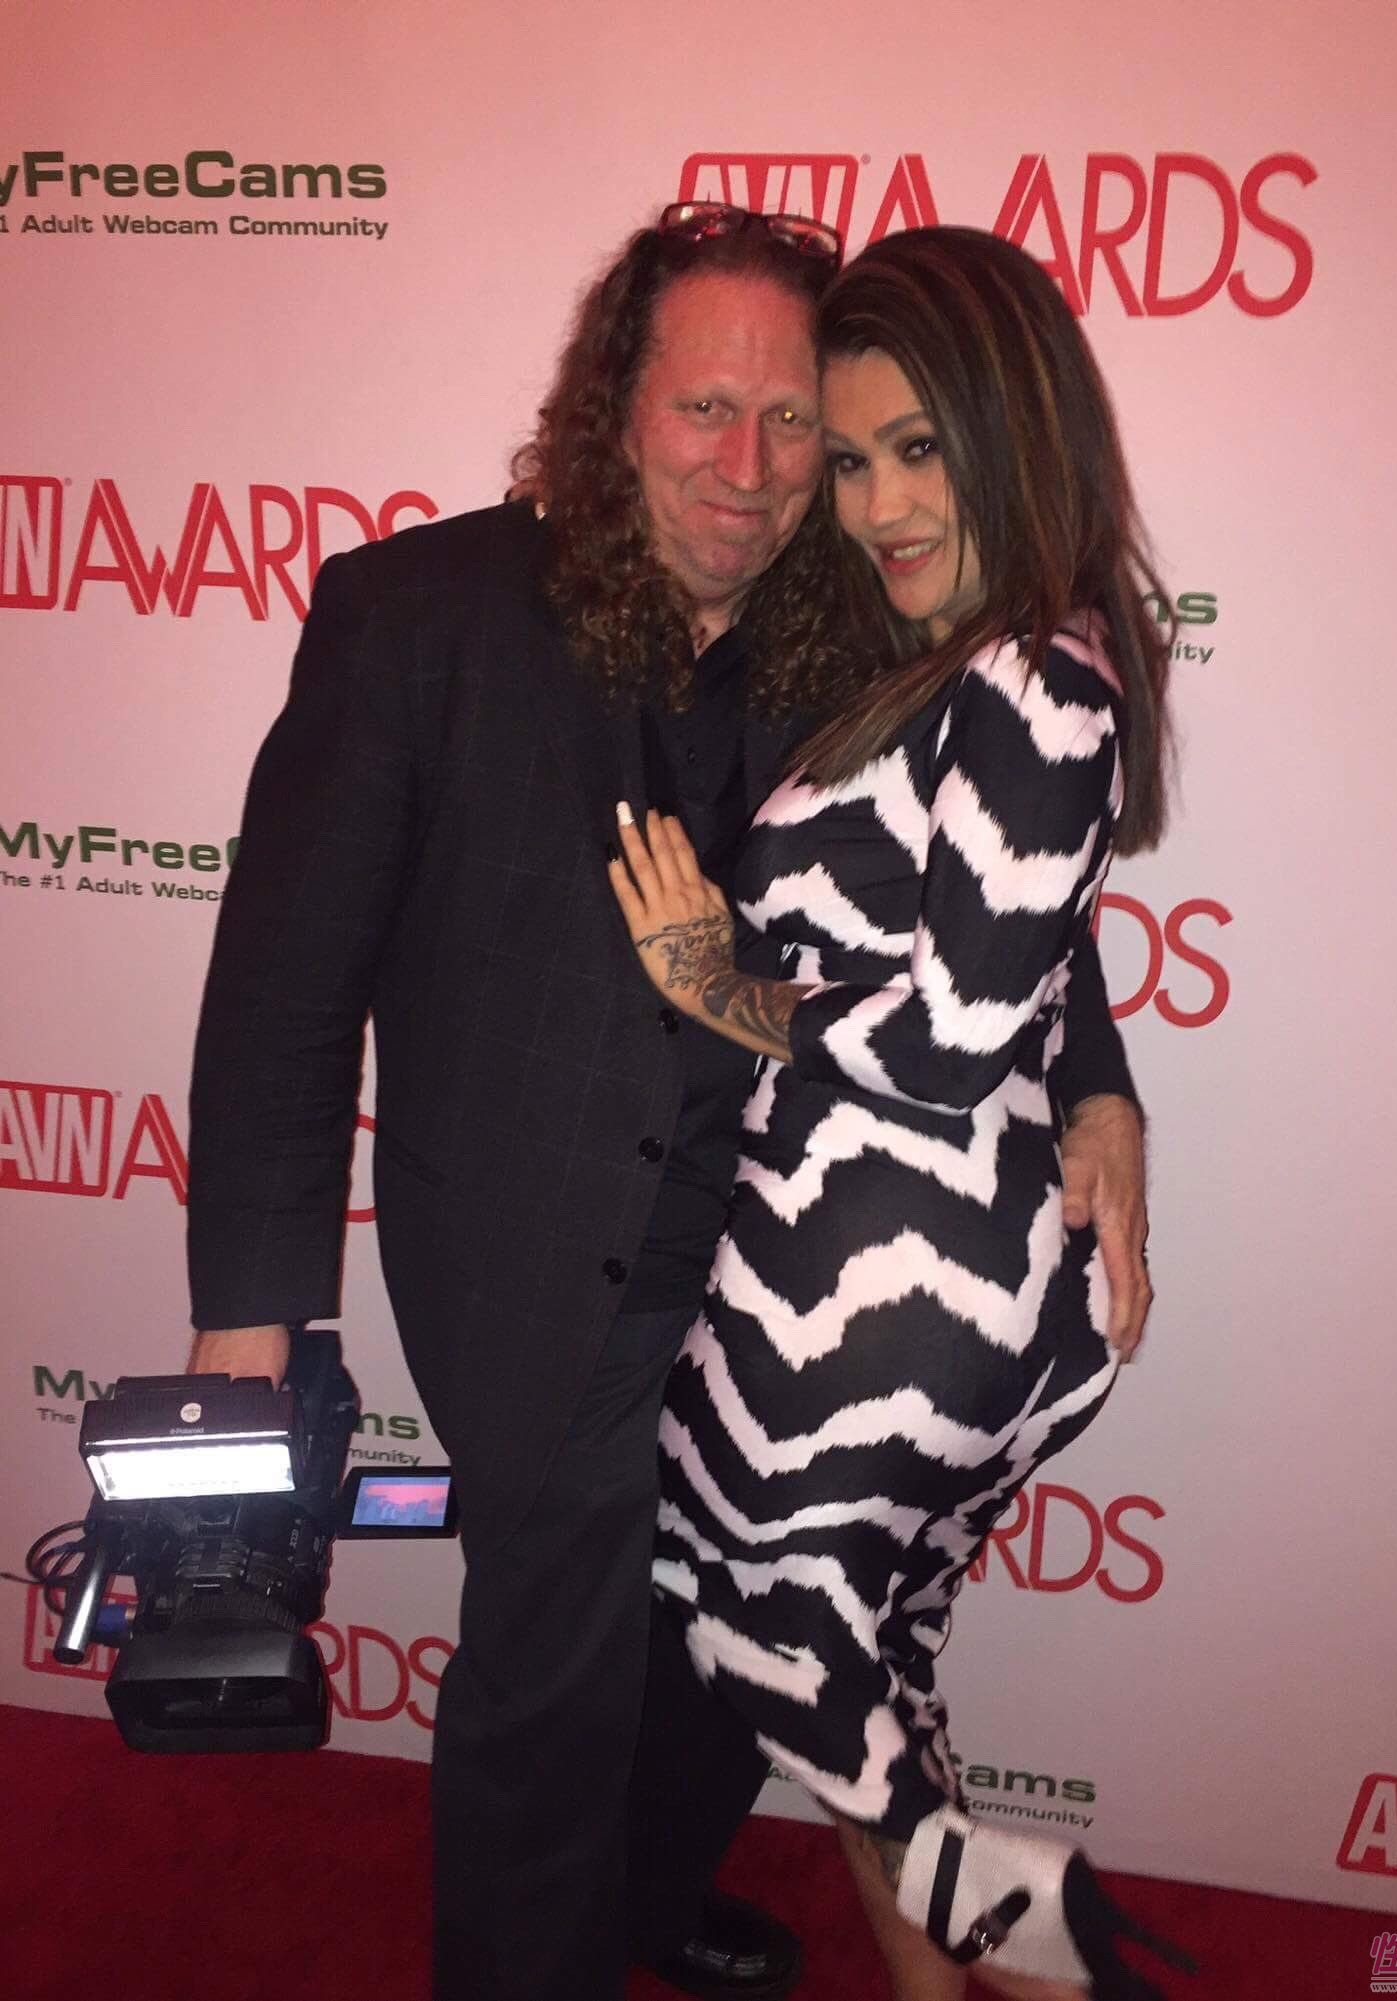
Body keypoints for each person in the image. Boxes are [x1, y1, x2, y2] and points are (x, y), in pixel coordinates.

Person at [184, 205, 1152, 2001]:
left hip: (793, 1263)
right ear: (614, 405)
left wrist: (1103, 1091)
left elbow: (996, 899)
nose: (752, 466)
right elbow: (282, 992)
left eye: (795, 427)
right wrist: (250, 1324)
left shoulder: (855, 629)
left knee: (723, 1664)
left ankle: (638, 1902)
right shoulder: (418, 617)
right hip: (544, 1263)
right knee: (556, 1689)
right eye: (708, 409)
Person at [608, 227, 1185, 2000]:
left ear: (1018, 429)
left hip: (885, 1277)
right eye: (852, 460)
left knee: (761, 1622)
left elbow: (948, 1036)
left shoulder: (1040, 682)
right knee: (870, 1667)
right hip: (864, 1263)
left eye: (918, 449)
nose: (874, 505)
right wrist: (1103, 1082)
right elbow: (1025, 951)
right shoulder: (960, 662)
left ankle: (1043, 1932)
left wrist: (718, 981)